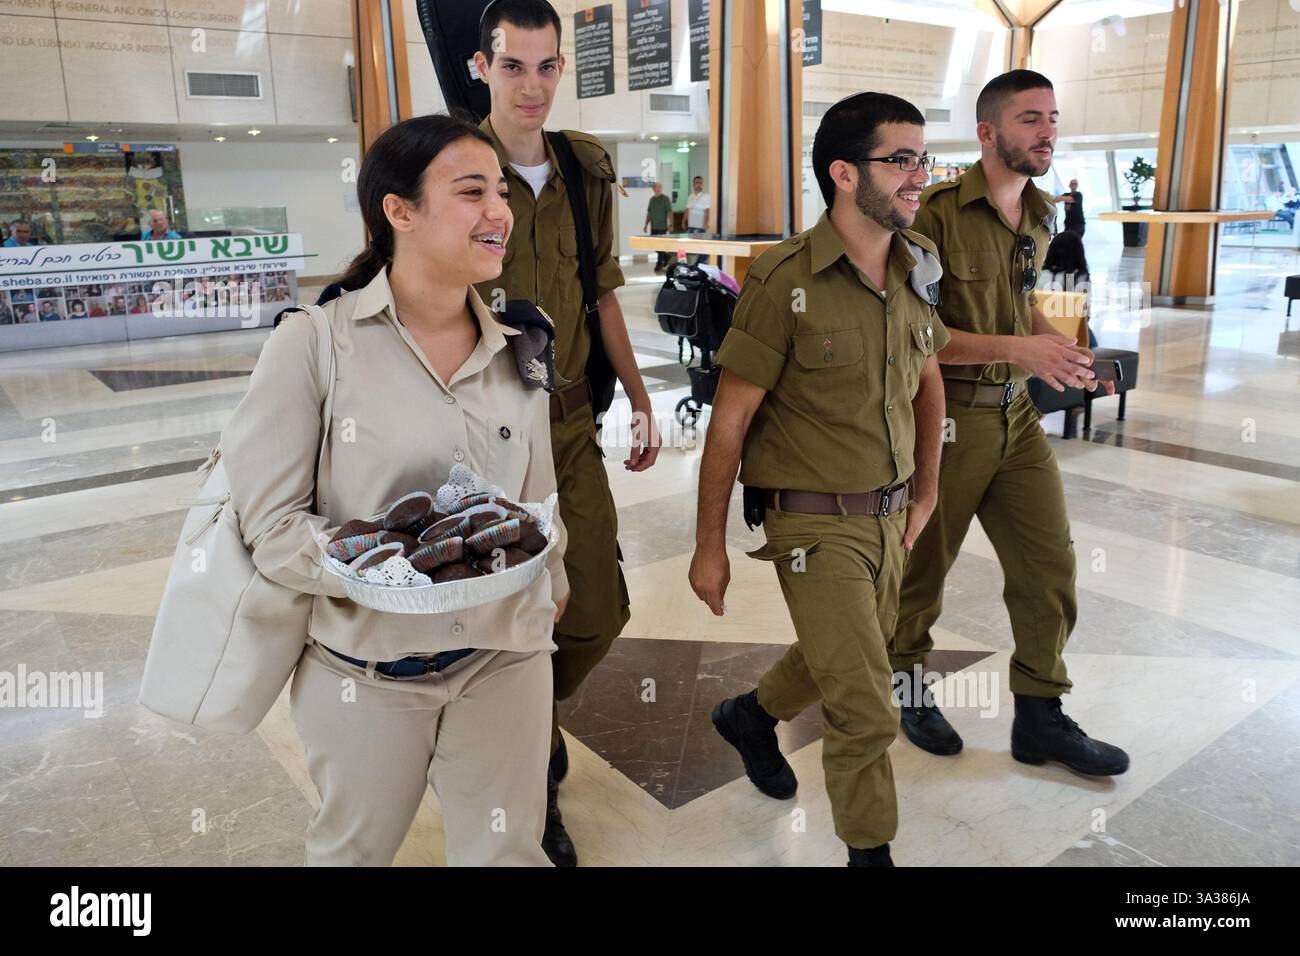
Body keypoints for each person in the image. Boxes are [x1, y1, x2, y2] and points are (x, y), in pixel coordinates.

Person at [220, 113, 569, 867]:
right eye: (472, 192)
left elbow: (538, 498)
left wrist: (554, 575)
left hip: (504, 659)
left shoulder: (521, 344)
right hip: (365, 674)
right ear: (399, 211)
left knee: (509, 853)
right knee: (352, 854)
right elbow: (273, 526)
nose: (499, 212)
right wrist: (380, 566)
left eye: (501, 192)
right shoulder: (314, 343)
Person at [690, 92, 949, 867]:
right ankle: (870, 854)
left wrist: (927, 488)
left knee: (848, 652)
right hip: (809, 523)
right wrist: (708, 546)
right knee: (867, 705)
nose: (918, 174)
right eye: (899, 159)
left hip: (890, 512)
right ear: (843, 173)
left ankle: (748, 716)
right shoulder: (781, 279)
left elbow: (928, 378)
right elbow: (730, 420)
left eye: (921, 158)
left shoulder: (914, 264)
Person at [889, 70, 1129, 777]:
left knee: (1049, 564)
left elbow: (1014, 303)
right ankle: (906, 686)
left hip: (1016, 418)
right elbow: (914, 334)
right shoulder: (929, 213)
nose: (1047, 131)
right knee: (921, 575)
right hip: (945, 418)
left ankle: (1040, 714)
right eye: (1030, 118)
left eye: (1053, 117)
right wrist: (1017, 348)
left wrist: (1050, 352)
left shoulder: (1042, 212)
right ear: (989, 132)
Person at [471, 0, 660, 867]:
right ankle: (521, 775)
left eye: (548, 67)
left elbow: (603, 290)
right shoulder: (453, 166)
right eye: (515, 66)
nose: (533, 85)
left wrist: (642, 393)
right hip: (478, 427)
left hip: (572, 421)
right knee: (499, 611)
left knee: (596, 609)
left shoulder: (585, 169)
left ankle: (535, 727)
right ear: (483, 67)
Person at [1042, 230, 1098, 349]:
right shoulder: (1081, 277)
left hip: (1041, 328)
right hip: (1071, 332)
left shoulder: (1040, 274)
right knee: (1093, 347)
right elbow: (1085, 316)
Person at [644, 181, 673, 272]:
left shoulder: (665, 199)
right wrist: (646, 225)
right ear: (653, 189)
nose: (659, 189)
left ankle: (659, 264)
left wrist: (671, 224)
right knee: (655, 246)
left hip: (662, 226)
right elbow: (649, 213)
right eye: (657, 187)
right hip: (654, 226)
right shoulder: (652, 200)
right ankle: (667, 256)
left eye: (660, 187)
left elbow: (670, 212)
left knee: (660, 246)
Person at [685, 174, 712, 264]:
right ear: (693, 184)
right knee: (688, 245)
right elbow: (687, 209)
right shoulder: (691, 196)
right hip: (691, 225)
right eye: (697, 183)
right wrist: (683, 221)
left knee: (700, 246)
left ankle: (699, 264)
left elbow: (709, 211)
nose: (698, 184)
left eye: (700, 183)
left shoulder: (706, 196)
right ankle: (701, 260)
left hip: (699, 226)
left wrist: (707, 223)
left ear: (702, 184)